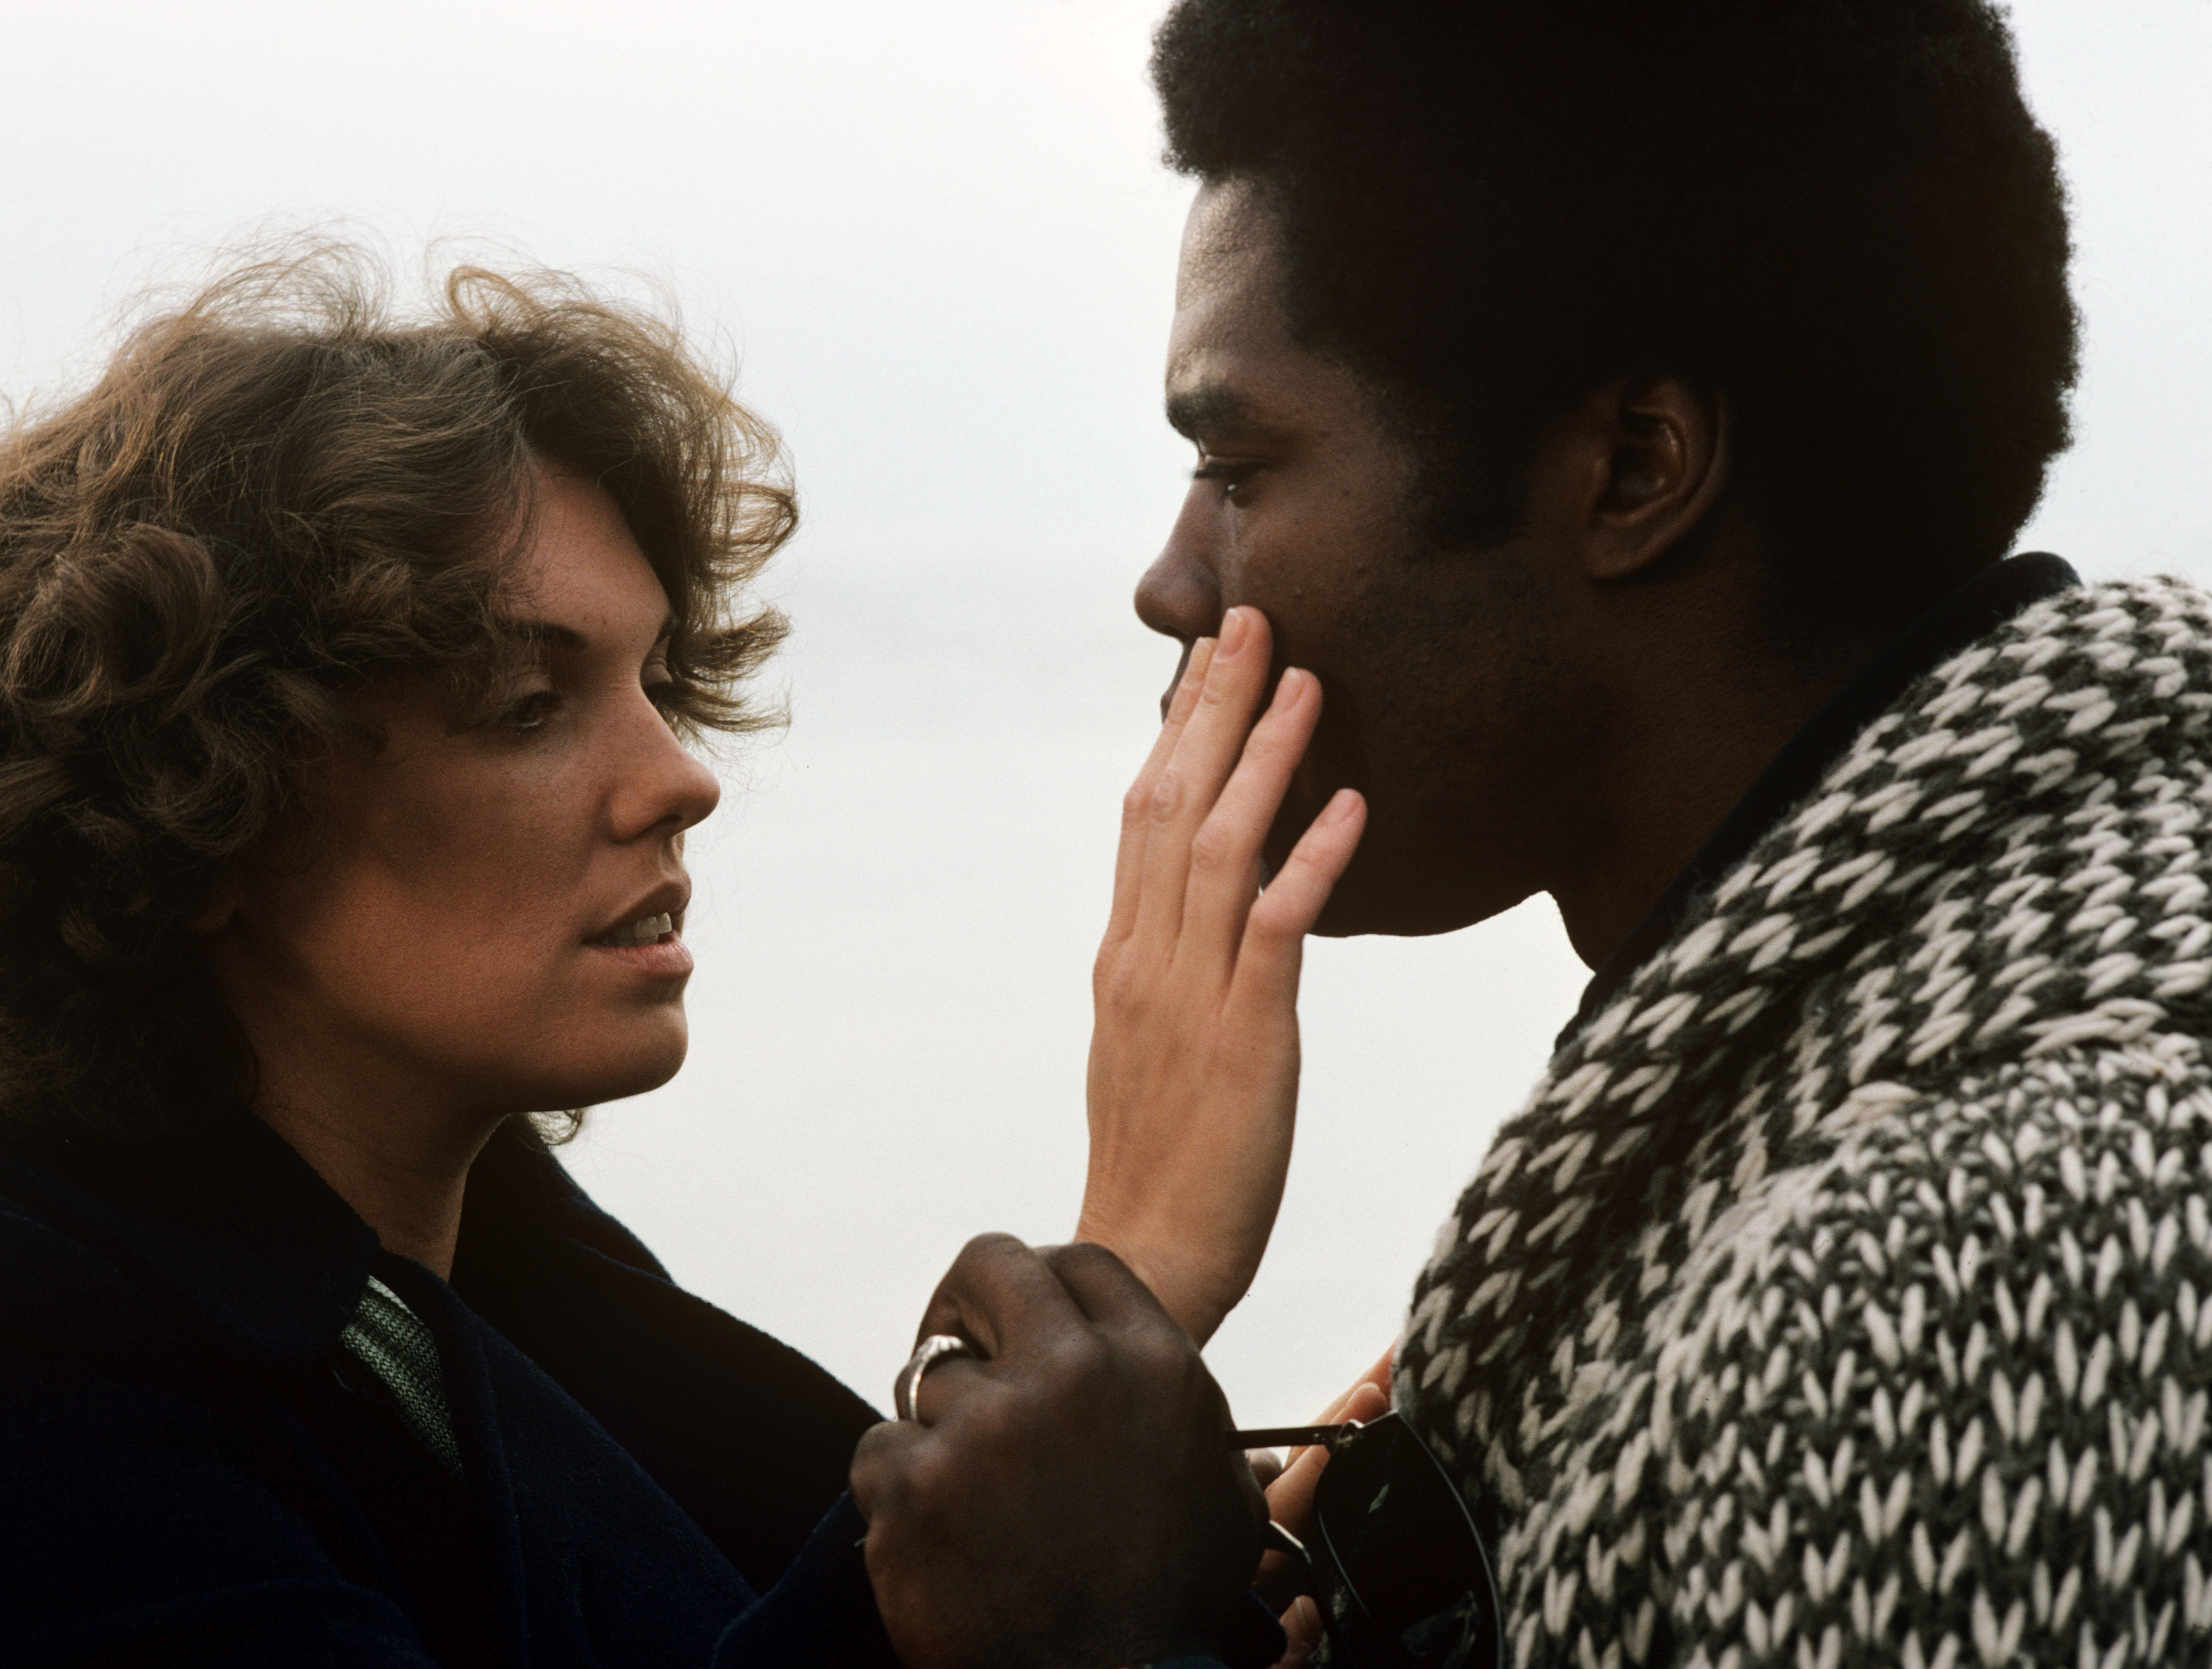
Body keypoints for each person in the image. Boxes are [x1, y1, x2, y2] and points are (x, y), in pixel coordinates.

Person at [0, 248, 1364, 1667]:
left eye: (656, 679)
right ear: (209, 802)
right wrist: (1120, 1288)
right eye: (527, 706)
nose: (678, 776)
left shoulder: (499, 1286)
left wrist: (1202, 1564)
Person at [860, 2, 2212, 1665]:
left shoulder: (1971, 1277)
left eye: (1235, 462)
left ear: (1633, 469)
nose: (1168, 582)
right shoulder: (1908, 1071)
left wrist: (1097, 1647)